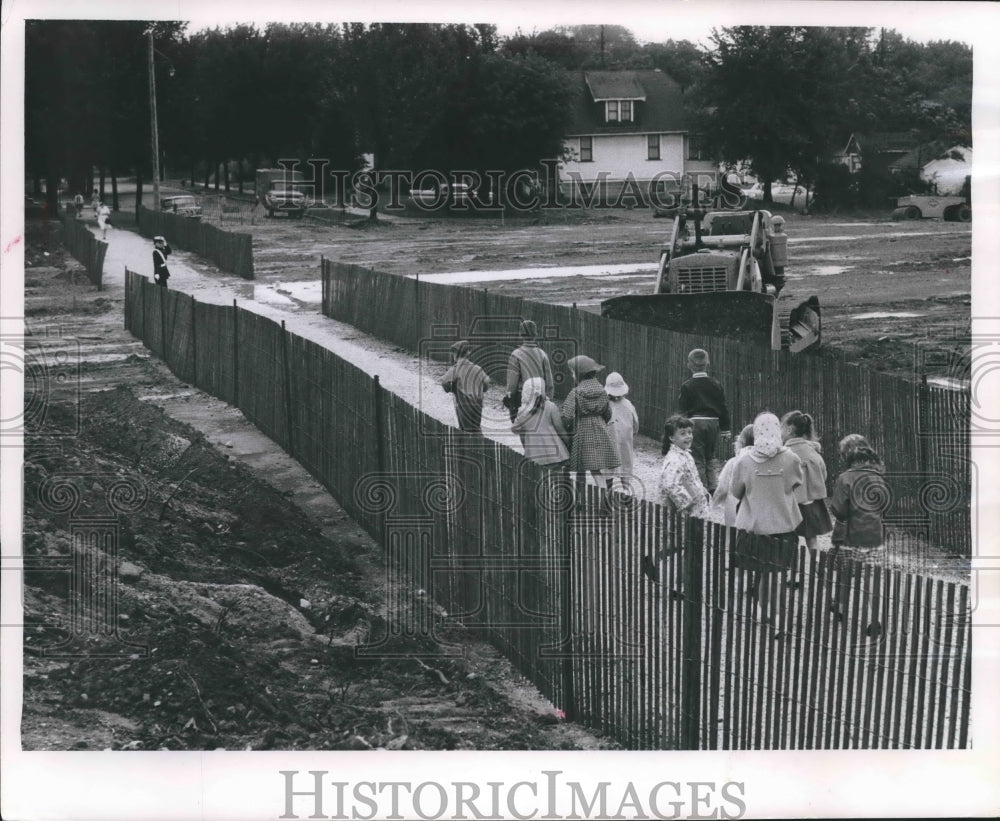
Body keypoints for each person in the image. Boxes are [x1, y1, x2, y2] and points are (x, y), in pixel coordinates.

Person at [729, 412, 804, 630]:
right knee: (775, 574)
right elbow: (795, 483)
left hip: (754, 525)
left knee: (764, 572)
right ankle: (777, 616)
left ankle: (763, 611)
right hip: (782, 524)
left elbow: (736, 491)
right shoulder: (791, 458)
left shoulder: (743, 460)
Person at [829, 434, 889, 637]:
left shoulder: (845, 478)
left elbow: (838, 510)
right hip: (875, 536)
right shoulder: (878, 477)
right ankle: (874, 618)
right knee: (870, 577)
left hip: (850, 537)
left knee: (846, 574)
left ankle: (841, 607)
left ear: (847, 455)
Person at [672, 348, 731, 493]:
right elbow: (723, 407)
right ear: (708, 364)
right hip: (713, 423)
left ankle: (701, 490)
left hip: (695, 424)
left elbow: (682, 411)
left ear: (689, 365)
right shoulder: (716, 384)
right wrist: (725, 430)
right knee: (710, 456)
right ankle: (713, 487)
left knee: (697, 457)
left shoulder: (687, 386)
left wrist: (680, 430)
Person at [560, 354, 619, 490]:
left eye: (573, 373)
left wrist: (568, 428)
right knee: (596, 469)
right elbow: (608, 413)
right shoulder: (603, 392)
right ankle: (605, 498)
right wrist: (598, 422)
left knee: (581, 467)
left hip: (582, 432)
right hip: (600, 431)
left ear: (579, 375)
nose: (572, 376)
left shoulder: (575, 393)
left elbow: (567, 417)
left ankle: (580, 497)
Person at [781, 409, 833, 550]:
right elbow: (824, 476)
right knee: (812, 539)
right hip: (811, 504)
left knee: (787, 539)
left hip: (788, 504)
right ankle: (816, 566)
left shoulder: (783, 454)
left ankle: (790, 568)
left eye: (782, 426)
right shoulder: (814, 454)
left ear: (789, 429)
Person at [510, 376, 570, 467]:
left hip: (534, 455)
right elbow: (559, 428)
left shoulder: (523, 411)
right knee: (556, 478)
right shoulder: (550, 406)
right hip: (556, 453)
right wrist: (568, 442)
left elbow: (515, 430)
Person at [658, 414, 709, 518]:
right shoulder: (675, 459)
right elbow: (669, 484)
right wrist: (687, 504)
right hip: (685, 513)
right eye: (683, 433)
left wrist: (701, 489)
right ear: (672, 437)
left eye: (690, 432)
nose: (688, 436)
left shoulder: (684, 454)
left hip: (695, 509)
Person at [504, 319, 554, 422]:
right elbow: (549, 382)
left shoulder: (516, 354)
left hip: (522, 397)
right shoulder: (542, 354)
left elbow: (512, 383)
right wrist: (549, 398)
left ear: (521, 335)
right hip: (540, 396)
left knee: (523, 430)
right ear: (535, 334)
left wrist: (510, 398)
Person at [710, 423, 754, 526]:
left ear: (741, 441)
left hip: (735, 510)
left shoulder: (733, 462)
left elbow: (722, 489)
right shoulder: (766, 463)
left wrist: (713, 506)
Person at [440, 340, 490, 433]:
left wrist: (451, 389)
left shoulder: (456, 368)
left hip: (463, 404)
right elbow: (487, 381)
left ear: (456, 354)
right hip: (477, 404)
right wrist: (481, 389)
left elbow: (444, 382)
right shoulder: (477, 368)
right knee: (476, 428)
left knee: (464, 430)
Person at [604, 372, 639, 495]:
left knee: (615, 466)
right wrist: (632, 432)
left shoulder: (606, 405)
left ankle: (617, 491)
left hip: (616, 442)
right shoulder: (627, 405)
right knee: (623, 464)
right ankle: (619, 491)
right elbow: (636, 424)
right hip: (619, 442)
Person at [765, 215, 788, 295]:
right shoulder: (772, 236)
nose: (777, 227)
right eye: (776, 225)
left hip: (778, 265)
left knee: (779, 280)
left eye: (779, 225)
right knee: (779, 280)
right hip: (777, 265)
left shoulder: (773, 236)